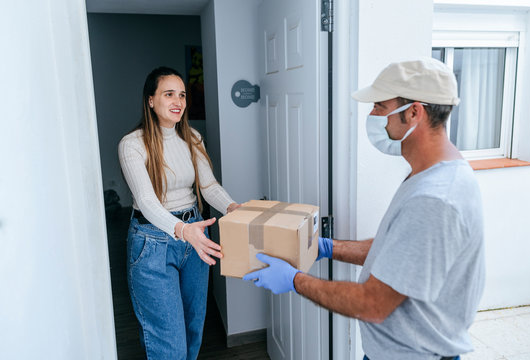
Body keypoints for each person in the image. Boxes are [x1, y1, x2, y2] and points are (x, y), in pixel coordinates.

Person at [243, 58, 485, 360]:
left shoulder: (434, 199)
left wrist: (294, 280)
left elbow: (373, 304)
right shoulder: (436, 173)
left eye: (379, 106)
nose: (372, 115)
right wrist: (328, 247)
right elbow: (400, 254)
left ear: (413, 112)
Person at [118, 66, 240, 360]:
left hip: (195, 233)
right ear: (151, 100)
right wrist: (183, 231)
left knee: (193, 328)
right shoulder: (132, 144)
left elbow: (208, 185)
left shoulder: (192, 137)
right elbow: (146, 200)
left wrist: (234, 208)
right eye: (168, 94)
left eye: (182, 95)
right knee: (169, 343)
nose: (178, 101)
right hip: (152, 242)